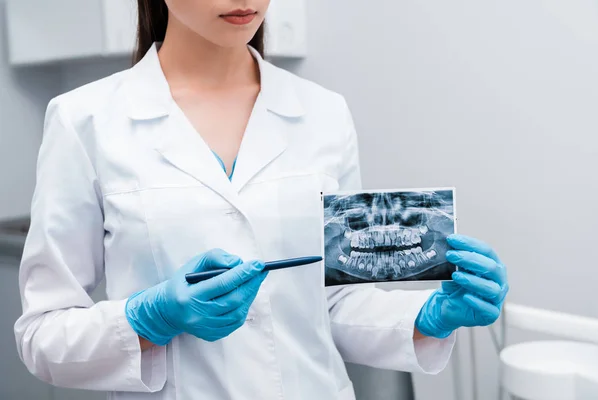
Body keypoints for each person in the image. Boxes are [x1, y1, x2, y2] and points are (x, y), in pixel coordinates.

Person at [13, 1, 509, 399]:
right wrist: (149, 318)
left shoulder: (324, 113)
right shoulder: (85, 121)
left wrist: (427, 317)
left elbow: (335, 300)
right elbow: (43, 337)